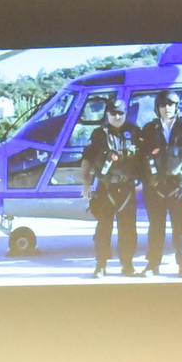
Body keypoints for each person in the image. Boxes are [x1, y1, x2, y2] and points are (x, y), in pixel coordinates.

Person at [81, 98, 143, 277]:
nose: (117, 116)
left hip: (127, 188)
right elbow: (87, 159)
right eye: (113, 113)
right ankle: (101, 265)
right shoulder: (99, 134)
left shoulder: (134, 132)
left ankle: (128, 265)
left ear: (125, 114)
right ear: (107, 114)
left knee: (128, 229)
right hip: (105, 188)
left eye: (120, 113)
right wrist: (86, 184)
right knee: (103, 228)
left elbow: (144, 159)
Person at [139, 90, 182, 277]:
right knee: (156, 227)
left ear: (176, 106)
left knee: (181, 227)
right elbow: (140, 157)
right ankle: (153, 264)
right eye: (163, 105)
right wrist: (148, 181)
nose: (166, 108)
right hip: (155, 187)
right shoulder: (149, 129)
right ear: (157, 108)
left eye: (170, 104)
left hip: (178, 187)